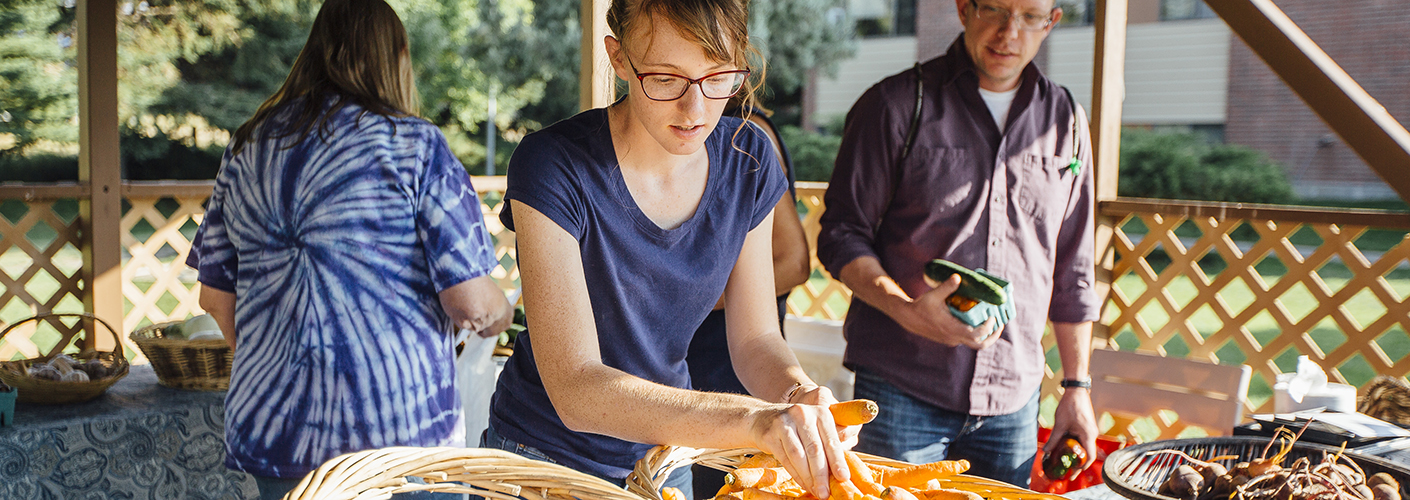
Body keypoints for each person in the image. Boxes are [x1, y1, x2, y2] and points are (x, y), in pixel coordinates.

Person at [485, 0, 856, 497]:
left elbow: (755, 340)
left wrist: (796, 394)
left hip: (665, 456)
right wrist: (757, 420)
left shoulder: (749, 159)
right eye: (665, 79)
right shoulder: (553, 164)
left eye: (718, 76)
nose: (695, 110)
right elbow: (575, 388)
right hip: (544, 458)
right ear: (619, 59)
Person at [186, 1, 514, 498]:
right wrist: (500, 314)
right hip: (400, 439)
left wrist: (282, 361)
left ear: (314, 53)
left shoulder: (247, 147)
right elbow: (469, 300)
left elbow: (215, 299)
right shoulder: (416, 146)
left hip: (278, 430)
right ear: (396, 58)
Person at [816, 0, 1100, 487]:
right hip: (902, 389)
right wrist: (908, 310)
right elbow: (842, 234)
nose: (1009, 32)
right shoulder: (896, 104)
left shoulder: (1067, 121)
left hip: (1014, 400)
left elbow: (1073, 268)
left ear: (1051, 22)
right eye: (995, 9)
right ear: (965, 9)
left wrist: (1076, 387)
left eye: (1030, 16)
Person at [686, 102, 811, 495]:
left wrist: (689, 300)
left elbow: (793, 261)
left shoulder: (748, 135)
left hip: (732, 365)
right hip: (681, 367)